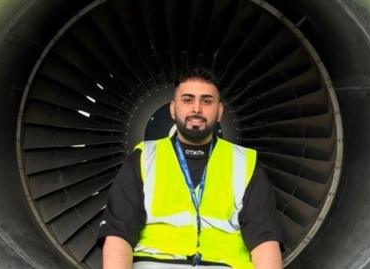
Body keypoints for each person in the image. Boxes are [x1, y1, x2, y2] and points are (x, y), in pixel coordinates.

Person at [97, 68, 284, 269]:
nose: (197, 108)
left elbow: (265, 241)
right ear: (172, 108)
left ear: (219, 111)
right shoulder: (143, 158)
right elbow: (117, 235)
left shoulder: (245, 163)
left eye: (206, 101)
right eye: (187, 99)